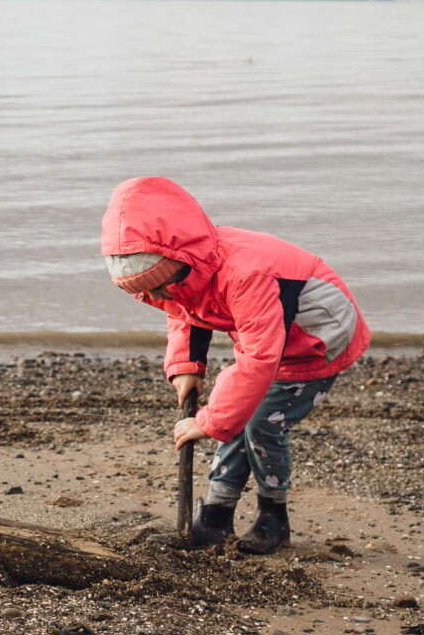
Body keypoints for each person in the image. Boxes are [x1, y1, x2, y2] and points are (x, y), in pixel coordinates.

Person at [100, 176, 369, 554]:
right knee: (236, 418)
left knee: (260, 424)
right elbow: (183, 312)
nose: (156, 296)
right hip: (270, 337)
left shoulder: (245, 273)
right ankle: (215, 517)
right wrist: (186, 366)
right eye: (146, 291)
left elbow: (259, 361)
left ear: (179, 261)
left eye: (158, 286)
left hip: (316, 339)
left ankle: (273, 516)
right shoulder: (182, 274)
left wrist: (208, 421)